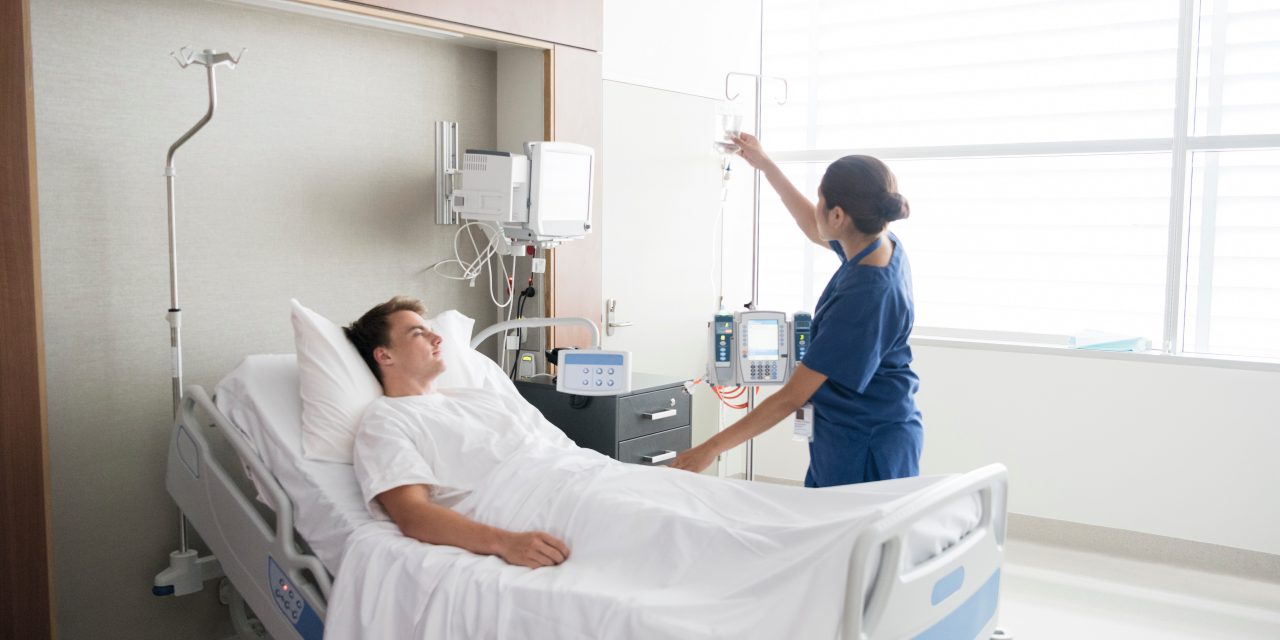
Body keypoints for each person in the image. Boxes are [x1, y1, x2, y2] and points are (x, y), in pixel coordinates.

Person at [672, 132, 922, 487]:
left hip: (865, 442)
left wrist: (709, 449)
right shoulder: (878, 242)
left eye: (820, 199)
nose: (816, 207)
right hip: (861, 430)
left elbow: (790, 397)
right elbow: (813, 228)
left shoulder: (865, 295)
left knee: (851, 538)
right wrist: (765, 164)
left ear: (838, 215)